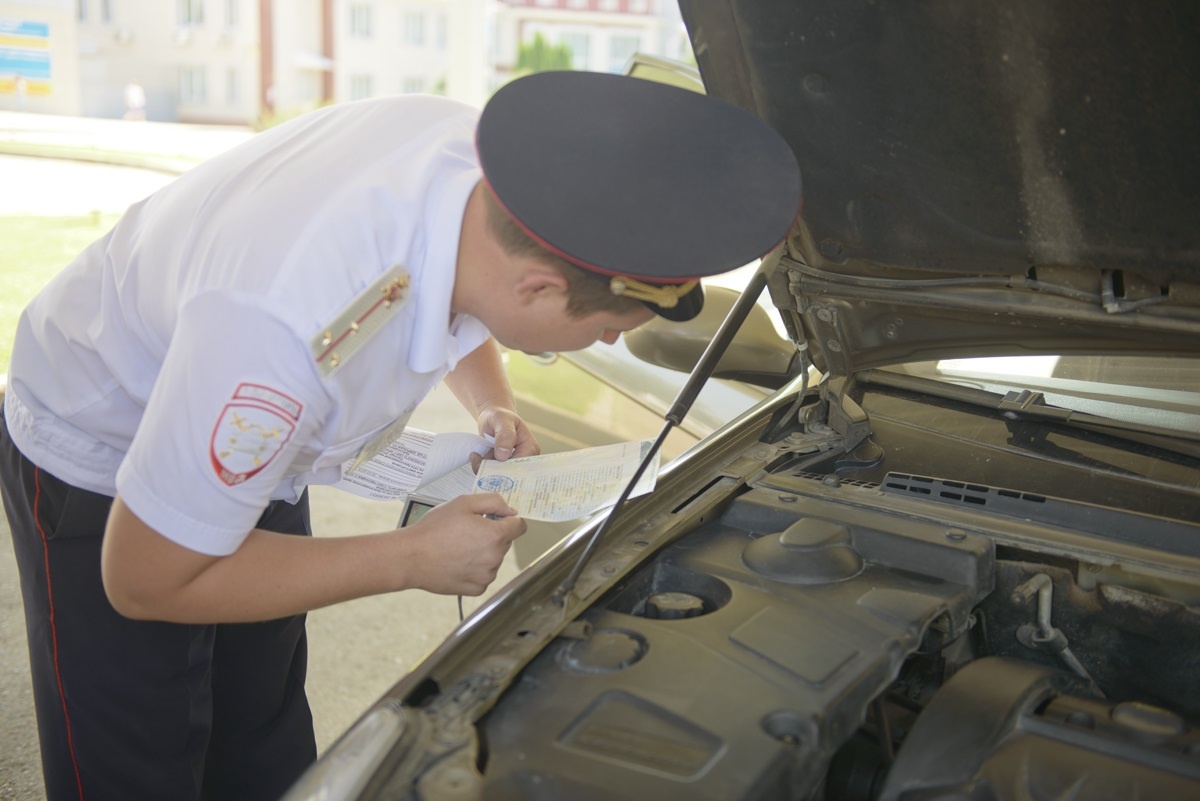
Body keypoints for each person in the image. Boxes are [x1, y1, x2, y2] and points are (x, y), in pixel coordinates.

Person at [0, 70, 800, 800]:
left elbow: (459, 280)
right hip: (103, 452)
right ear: (542, 286)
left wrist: (491, 401)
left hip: (252, 438)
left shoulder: (482, 174)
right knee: (144, 756)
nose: (610, 343)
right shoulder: (280, 333)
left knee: (260, 735)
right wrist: (410, 558)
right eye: (604, 326)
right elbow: (145, 579)